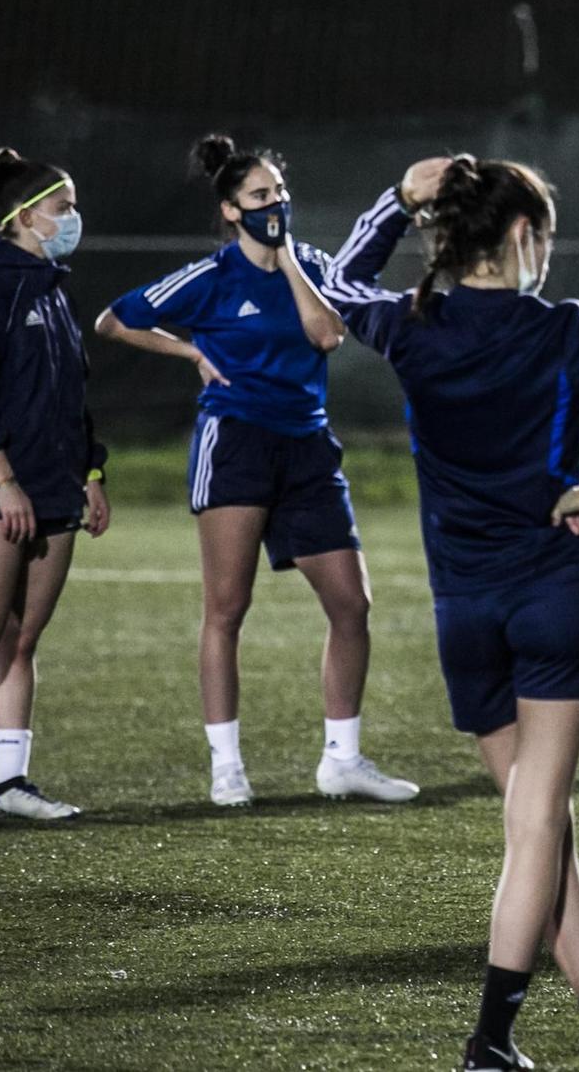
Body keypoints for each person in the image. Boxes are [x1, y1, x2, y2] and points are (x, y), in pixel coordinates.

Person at [323, 156, 579, 1072]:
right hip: (554, 596)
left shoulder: (407, 323)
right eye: (543, 233)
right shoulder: (558, 329)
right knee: (538, 823)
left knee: (541, 825)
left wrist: (393, 198)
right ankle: (490, 1042)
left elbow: (336, 282)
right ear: (518, 237)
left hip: (464, 611)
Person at [97, 134, 415, 808]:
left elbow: (327, 333)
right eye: (261, 195)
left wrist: (289, 260)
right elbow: (113, 320)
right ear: (232, 209)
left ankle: (343, 758)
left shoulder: (314, 262)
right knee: (227, 607)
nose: (277, 203)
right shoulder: (210, 277)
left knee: (352, 604)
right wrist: (189, 353)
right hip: (235, 439)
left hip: (308, 446)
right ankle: (227, 766)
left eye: (280, 192)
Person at [0, 148, 110, 826]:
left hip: (57, 491)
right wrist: (3, 479)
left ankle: (10, 781)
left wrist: (93, 471)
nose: (72, 218)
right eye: (62, 206)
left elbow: (72, 397)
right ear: (23, 215)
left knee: (21, 639)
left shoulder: (51, 288)